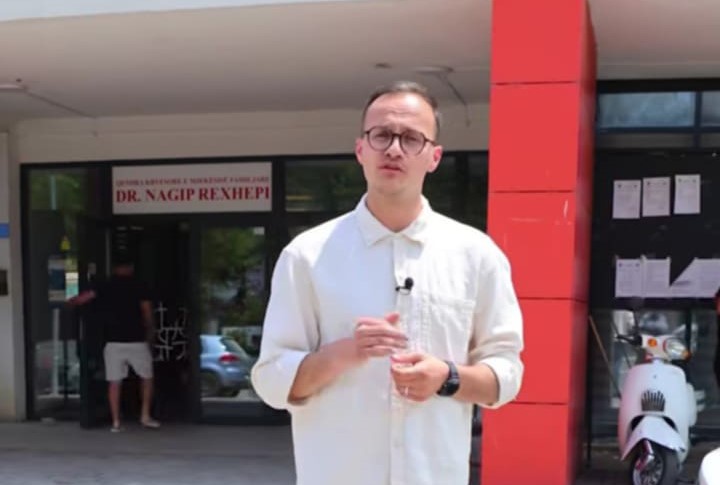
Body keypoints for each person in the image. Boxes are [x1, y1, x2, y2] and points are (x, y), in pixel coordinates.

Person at [251, 81, 524, 485]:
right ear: (361, 149)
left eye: (411, 138)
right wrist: (345, 352)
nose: (394, 149)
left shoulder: (476, 255)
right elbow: (270, 380)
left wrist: (447, 377)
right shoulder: (307, 256)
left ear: (433, 157)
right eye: (382, 135)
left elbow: (507, 375)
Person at [68, 254, 160, 432]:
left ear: (114, 268)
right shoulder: (139, 285)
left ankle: (116, 422)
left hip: (113, 341)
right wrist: (151, 332)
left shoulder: (104, 285)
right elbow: (147, 311)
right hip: (136, 339)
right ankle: (145, 415)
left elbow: (83, 299)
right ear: (131, 267)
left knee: (114, 382)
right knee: (147, 378)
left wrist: (70, 300)